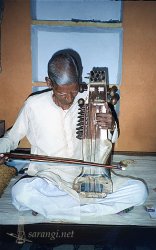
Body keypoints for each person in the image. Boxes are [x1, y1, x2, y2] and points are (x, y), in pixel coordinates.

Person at [0, 49, 148, 221]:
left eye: (74, 91)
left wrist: (112, 124)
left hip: (89, 176)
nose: (70, 98)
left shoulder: (91, 98)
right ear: (49, 83)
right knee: (21, 192)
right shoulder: (34, 105)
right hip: (51, 179)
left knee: (139, 191)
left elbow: (112, 138)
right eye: (63, 93)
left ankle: (57, 209)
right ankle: (93, 209)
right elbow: (12, 137)